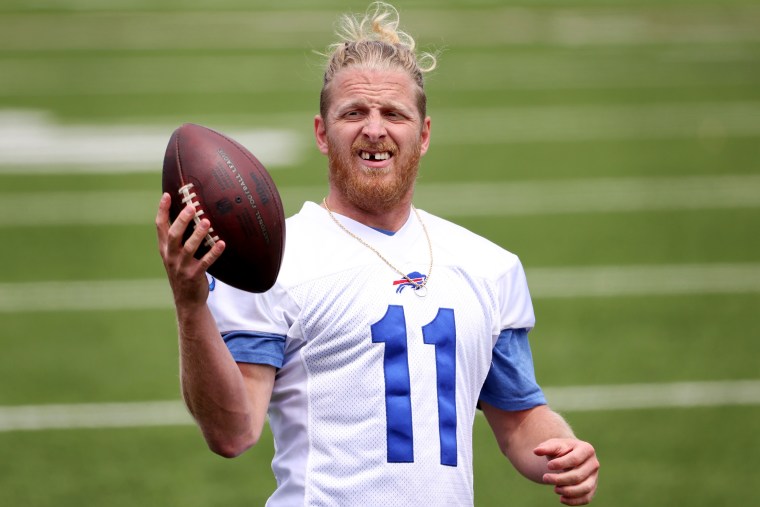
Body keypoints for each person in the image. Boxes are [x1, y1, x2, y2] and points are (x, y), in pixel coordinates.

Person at [156, 2, 599, 505]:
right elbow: (232, 433)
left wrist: (564, 451)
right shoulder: (277, 261)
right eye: (353, 113)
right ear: (322, 133)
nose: (374, 129)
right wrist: (190, 306)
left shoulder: (488, 267)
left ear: (424, 134)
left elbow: (519, 419)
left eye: (393, 114)